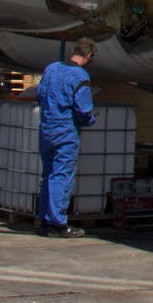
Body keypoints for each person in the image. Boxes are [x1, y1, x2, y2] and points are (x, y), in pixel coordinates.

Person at [35, 37, 97, 237]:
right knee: (61, 176)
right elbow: (83, 109)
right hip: (65, 132)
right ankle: (58, 224)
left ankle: (44, 219)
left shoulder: (51, 68)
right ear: (88, 56)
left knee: (47, 175)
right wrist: (90, 120)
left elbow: (41, 93)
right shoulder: (80, 76)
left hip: (46, 129)